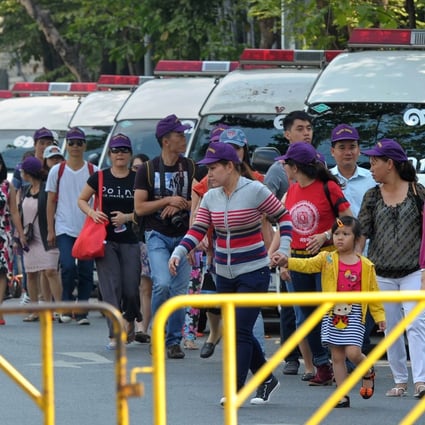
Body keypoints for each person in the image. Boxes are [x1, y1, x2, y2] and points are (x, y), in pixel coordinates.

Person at [169, 142, 292, 405]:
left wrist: (284, 248)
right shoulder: (211, 196)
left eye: (213, 168)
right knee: (239, 329)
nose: (208, 175)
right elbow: (198, 229)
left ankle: (236, 391)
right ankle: (267, 379)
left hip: (254, 271)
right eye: (207, 169)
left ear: (229, 166)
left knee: (240, 332)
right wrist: (179, 252)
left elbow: (285, 217)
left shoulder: (256, 190)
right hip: (224, 273)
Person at [272, 216, 386, 408]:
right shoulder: (326, 259)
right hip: (333, 313)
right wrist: (287, 261)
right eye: (336, 234)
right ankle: (342, 395)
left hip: (355, 313)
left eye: (346, 234)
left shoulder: (365, 265)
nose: (340, 238)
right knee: (337, 356)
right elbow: (307, 265)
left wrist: (380, 317)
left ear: (357, 239)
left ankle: (367, 372)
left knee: (353, 352)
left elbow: (373, 292)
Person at [270, 142, 353, 386]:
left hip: (326, 258)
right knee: (306, 315)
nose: (284, 167)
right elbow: (287, 228)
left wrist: (326, 234)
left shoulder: (328, 187)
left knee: (331, 311)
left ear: (296, 167)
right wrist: (284, 259)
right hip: (298, 258)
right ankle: (321, 364)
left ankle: (343, 361)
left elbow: (348, 219)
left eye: (287, 164)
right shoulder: (293, 190)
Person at [358, 138, 425, 399]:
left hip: (413, 272)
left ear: (390, 164)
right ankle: (400, 381)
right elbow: (362, 234)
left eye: (375, 162)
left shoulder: (418, 193)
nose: (371, 167)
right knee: (391, 328)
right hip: (380, 273)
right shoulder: (372, 195)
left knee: (417, 324)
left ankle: (420, 380)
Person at [134, 114, 194, 359]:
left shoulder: (190, 166)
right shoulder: (147, 169)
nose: (184, 138)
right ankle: (158, 334)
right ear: (166, 140)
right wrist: (168, 199)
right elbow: (139, 208)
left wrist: (182, 205)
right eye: (179, 135)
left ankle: (173, 341)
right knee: (162, 283)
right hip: (156, 234)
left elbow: (200, 203)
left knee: (179, 292)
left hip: (184, 236)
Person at [78, 134, 141, 349]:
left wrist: (128, 217)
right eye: (115, 150)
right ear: (110, 154)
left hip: (131, 240)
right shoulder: (100, 177)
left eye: (124, 149)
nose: (120, 154)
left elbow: (145, 209)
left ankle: (130, 318)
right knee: (110, 288)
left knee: (131, 290)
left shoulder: (138, 178)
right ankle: (114, 334)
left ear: (130, 153)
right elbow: (82, 199)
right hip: (105, 240)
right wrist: (92, 213)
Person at [264, 110, 314, 378]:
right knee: (291, 308)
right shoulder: (278, 168)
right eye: (299, 128)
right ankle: (291, 355)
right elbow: (266, 209)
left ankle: (320, 357)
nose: (306, 132)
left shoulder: (318, 163)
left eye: (309, 128)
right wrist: (275, 249)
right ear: (287, 133)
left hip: (317, 247)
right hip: (287, 243)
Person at [329, 123, 377, 361]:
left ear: (359, 150)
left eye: (352, 147)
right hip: (336, 257)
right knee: (340, 309)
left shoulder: (371, 179)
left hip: (367, 254)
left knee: (363, 308)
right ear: (332, 151)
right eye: (342, 147)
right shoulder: (326, 180)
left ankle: (358, 353)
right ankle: (343, 358)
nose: (348, 152)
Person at [45, 127, 97, 325]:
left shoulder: (94, 171)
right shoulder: (56, 171)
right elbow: (50, 201)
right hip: (64, 227)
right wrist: (51, 229)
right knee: (67, 267)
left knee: (85, 270)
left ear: (84, 145)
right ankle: (66, 306)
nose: (75, 146)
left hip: (87, 229)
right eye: (72, 142)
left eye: (79, 143)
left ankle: (82, 312)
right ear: (67, 145)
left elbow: (99, 200)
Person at [20, 157, 62, 322]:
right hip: (29, 237)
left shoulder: (46, 189)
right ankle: (36, 309)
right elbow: (18, 212)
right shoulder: (24, 190)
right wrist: (19, 235)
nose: (21, 173)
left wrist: (52, 230)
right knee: (31, 274)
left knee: (50, 271)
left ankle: (59, 309)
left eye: (22, 171)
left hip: (46, 234)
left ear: (28, 172)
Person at [0, 153, 25, 324]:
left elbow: (14, 211)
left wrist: (21, 233)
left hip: (3, 233)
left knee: (2, 272)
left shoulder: (7, 186)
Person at [130, 153, 152, 344]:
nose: (138, 172)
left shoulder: (149, 187)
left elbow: (141, 210)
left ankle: (142, 327)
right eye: (135, 168)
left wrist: (126, 217)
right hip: (125, 242)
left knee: (146, 287)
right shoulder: (125, 186)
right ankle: (132, 325)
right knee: (131, 286)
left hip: (145, 239)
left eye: (141, 168)